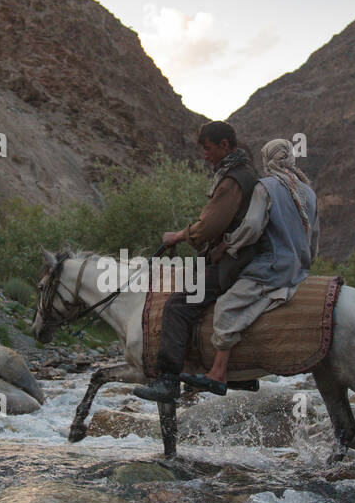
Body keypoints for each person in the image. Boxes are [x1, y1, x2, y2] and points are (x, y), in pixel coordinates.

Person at [133, 121, 259, 403]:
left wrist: (176, 237)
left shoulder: (232, 180)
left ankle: (168, 381)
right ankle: (240, 372)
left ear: (224, 146)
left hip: (233, 263)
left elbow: (208, 227)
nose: (205, 155)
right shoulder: (248, 173)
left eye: (208, 148)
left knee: (178, 307)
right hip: (243, 258)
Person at [186, 137, 319, 394]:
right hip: (298, 268)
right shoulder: (308, 192)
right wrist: (306, 264)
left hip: (271, 267)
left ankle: (218, 372)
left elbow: (251, 227)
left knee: (226, 306)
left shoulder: (265, 187)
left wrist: (228, 246)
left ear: (267, 158)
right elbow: (314, 237)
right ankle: (242, 373)